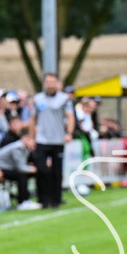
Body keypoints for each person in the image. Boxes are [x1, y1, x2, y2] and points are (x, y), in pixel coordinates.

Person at [30, 72, 75, 209]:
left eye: (52, 82)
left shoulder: (63, 99)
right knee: (42, 170)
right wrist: (32, 138)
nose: (50, 85)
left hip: (57, 140)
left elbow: (70, 116)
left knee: (56, 171)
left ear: (57, 83)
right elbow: (33, 119)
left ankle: (56, 199)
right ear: (44, 83)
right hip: (42, 139)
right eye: (48, 82)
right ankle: (43, 199)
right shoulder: (38, 99)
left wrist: (69, 133)